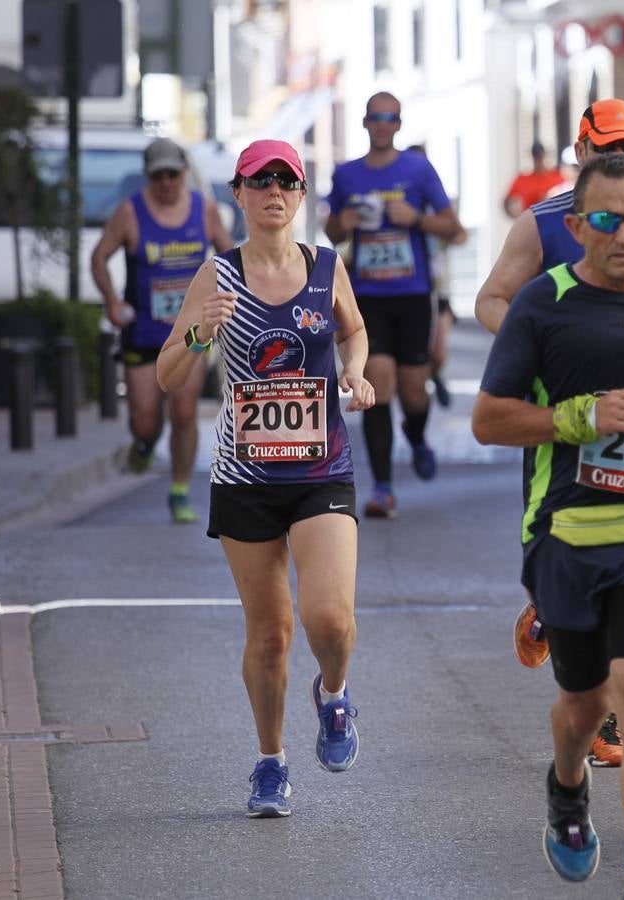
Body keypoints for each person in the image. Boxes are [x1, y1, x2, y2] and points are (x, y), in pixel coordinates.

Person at [471, 153, 624, 900]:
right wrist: (574, 419)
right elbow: (488, 420)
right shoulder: (542, 303)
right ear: (577, 226)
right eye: (607, 221)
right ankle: (566, 785)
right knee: (584, 703)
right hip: (567, 535)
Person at [155, 139, 376, 818]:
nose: (273, 191)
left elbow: (354, 330)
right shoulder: (217, 277)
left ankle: (334, 695)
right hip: (245, 476)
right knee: (271, 632)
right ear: (240, 194)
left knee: (329, 618)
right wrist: (196, 336)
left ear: (301, 195)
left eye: (287, 181)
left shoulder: (325, 267)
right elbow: (168, 375)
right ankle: (271, 762)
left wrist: (355, 370)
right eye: (260, 181)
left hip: (321, 468)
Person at [474, 98, 624, 768]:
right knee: (563, 538)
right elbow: (491, 298)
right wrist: (536, 351)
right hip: (562, 421)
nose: (617, 160)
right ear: (579, 150)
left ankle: (616, 719)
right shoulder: (545, 222)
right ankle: (549, 607)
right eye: (603, 149)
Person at [325, 92, 465, 518]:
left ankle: (418, 436)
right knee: (378, 383)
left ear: (398, 124)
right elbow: (332, 231)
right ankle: (383, 488)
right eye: (375, 117)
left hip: (412, 295)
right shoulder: (347, 175)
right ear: (365, 123)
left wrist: (418, 219)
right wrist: (341, 224)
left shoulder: (418, 169)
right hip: (368, 297)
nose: (382, 124)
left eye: (390, 118)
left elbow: (454, 229)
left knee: (413, 390)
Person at [91, 137, 235, 522]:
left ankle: (179, 490)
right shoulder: (130, 213)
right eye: (159, 176)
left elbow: (229, 256)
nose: (167, 182)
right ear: (148, 177)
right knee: (145, 419)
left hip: (189, 334)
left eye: (173, 174)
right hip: (143, 333)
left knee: (184, 410)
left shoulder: (204, 210)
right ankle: (143, 443)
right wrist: (111, 301)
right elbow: (99, 257)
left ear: (184, 172)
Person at [405, 143, 469, 409]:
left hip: (440, 286)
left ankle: (435, 373)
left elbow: (460, 233)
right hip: (409, 287)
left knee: (439, 351)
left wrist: (430, 225)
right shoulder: (398, 201)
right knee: (411, 361)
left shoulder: (438, 202)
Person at [504, 142, 565, 217]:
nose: (538, 159)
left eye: (540, 155)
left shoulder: (557, 177)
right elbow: (507, 203)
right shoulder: (522, 180)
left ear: (544, 155)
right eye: (536, 156)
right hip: (531, 222)